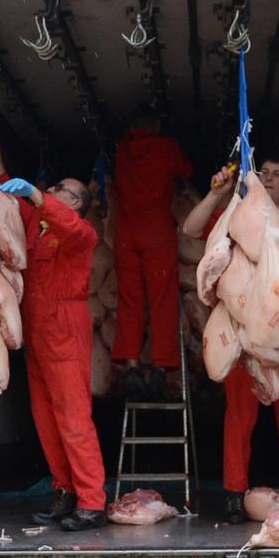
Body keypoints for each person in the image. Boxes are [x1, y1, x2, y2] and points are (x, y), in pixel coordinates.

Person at [0, 117, 107, 531]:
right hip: (36, 331)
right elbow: (3, 193)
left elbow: (60, 219)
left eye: (59, 190)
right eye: (49, 188)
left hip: (65, 327)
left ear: (75, 202)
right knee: (46, 419)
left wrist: (37, 194)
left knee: (73, 418)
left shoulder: (80, 232)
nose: (50, 192)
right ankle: (64, 491)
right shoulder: (36, 223)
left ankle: (92, 501)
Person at [181, 150, 279, 523]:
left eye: (276, 173)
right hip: (240, 332)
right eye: (264, 172)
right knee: (240, 415)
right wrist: (216, 194)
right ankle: (234, 494)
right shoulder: (235, 223)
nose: (269, 178)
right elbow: (190, 230)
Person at [111, 106, 193, 400]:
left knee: (130, 299)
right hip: (156, 230)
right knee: (162, 298)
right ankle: (160, 367)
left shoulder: (122, 151)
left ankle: (132, 367)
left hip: (125, 231)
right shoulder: (167, 148)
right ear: (157, 124)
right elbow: (187, 171)